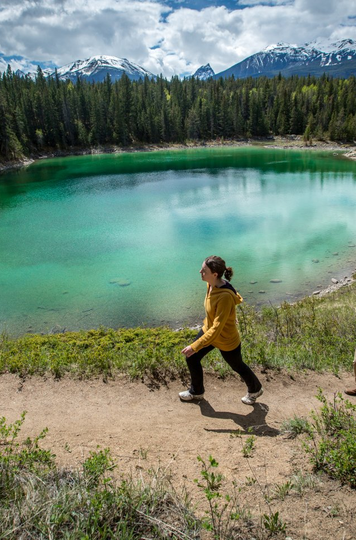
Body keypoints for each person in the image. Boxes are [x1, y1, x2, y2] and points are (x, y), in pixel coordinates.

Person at [180, 255, 263, 405]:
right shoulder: (211, 285)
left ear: (215, 274)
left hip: (225, 338)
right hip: (209, 331)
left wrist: (195, 346)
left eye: (204, 270)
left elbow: (218, 327)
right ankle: (196, 392)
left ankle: (255, 389)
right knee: (192, 358)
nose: (200, 272)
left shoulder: (224, 296)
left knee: (237, 366)